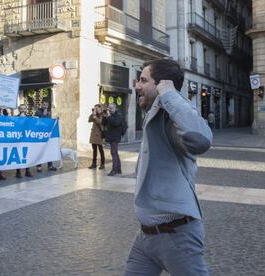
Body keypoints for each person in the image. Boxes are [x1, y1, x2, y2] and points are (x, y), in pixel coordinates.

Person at [125, 59, 212, 276]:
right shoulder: (154, 114)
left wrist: (170, 94)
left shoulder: (174, 118)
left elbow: (201, 140)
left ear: (163, 84)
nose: (136, 85)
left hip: (176, 236)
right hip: (146, 238)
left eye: (143, 80)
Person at [34, 101, 57, 172]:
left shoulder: (49, 112)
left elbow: (49, 122)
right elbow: (38, 121)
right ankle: (39, 166)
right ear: (41, 105)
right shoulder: (37, 112)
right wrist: (44, 112)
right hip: (40, 134)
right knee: (39, 150)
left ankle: (50, 165)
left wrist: (55, 120)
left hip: (47, 134)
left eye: (46, 104)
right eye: (44, 104)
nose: (45, 106)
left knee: (48, 149)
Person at [102, 103, 123, 176]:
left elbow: (115, 123)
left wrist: (109, 116)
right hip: (111, 136)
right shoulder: (109, 115)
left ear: (115, 108)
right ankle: (118, 169)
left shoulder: (118, 115)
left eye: (111, 108)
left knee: (113, 153)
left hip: (116, 137)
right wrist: (105, 117)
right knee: (115, 153)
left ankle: (114, 170)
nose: (109, 109)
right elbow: (103, 123)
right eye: (109, 108)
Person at [16, 104, 33, 178]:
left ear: (26, 110)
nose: (22, 110)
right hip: (18, 140)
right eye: (21, 109)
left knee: (26, 155)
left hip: (27, 140)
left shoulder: (29, 118)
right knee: (18, 155)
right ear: (19, 110)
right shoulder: (16, 117)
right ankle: (18, 172)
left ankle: (27, 171)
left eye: (24, 109)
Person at [88, 104, 105, 169]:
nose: (96, 110)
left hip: (99, 134)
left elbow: (100, 122)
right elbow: (89, 120)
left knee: (101, 149)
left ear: (100, 108)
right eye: (95, 108)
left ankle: (102, 163)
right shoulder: (94, 114)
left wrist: (95, 116)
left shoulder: (103, 115)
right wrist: (93, 114)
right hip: (93, 134)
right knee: (94, 150)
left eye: (97, 108)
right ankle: (94, 163)